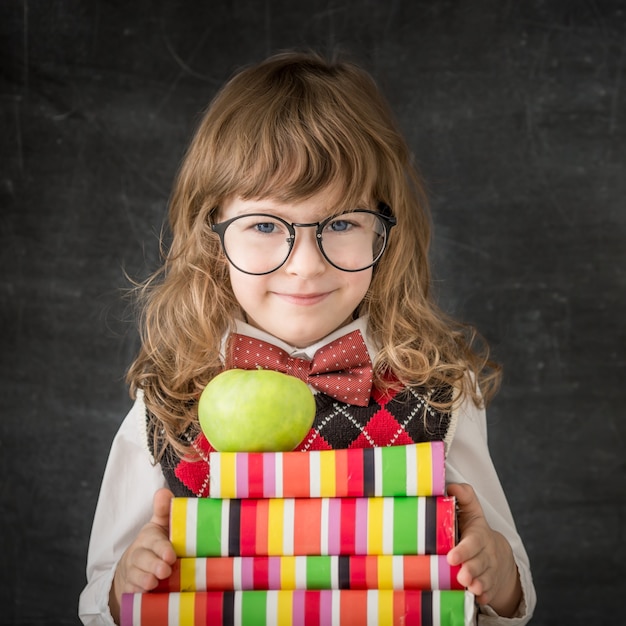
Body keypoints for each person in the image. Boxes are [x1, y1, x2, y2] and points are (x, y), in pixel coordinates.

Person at [79, 51, 536, 625]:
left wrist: (498, 572)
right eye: (266, 225)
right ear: (211, 232)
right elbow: (102, 596)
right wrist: (125, 584)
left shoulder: (439, 389)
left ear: (385, 229)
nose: (304, 265)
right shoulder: (168, 399)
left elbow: (511, 596)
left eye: (341, 224)